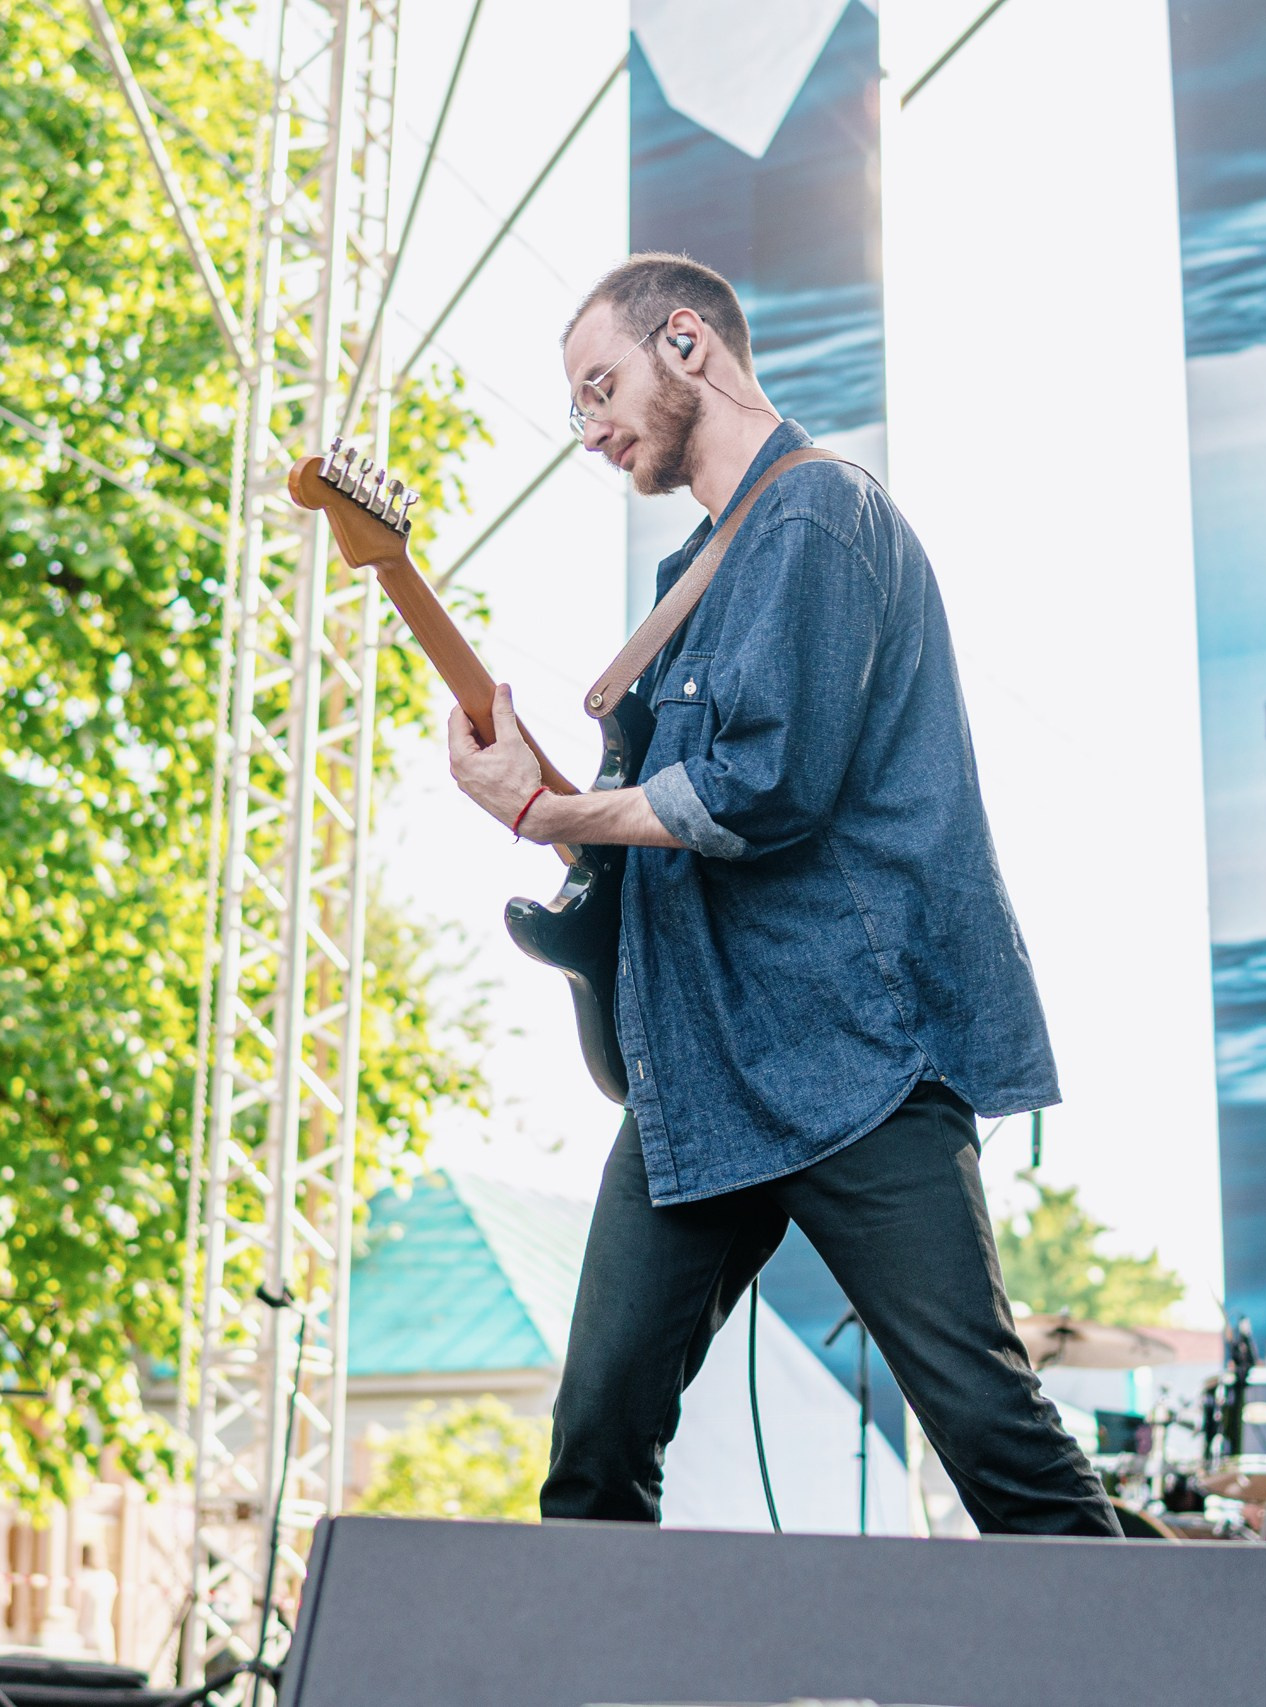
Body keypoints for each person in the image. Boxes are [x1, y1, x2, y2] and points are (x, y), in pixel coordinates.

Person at [446, 252, 1113, 1536]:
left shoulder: (818, 516)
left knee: (995, 1442)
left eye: (602, 387)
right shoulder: (677, 591)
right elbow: (636, 836)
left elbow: (760, 792)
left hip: (854, 1061)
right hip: (699, 1075)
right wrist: (538, 810)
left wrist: (551, 811)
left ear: (686, 345)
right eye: (576, 404)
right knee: (594, 1449)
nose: (588, 428)